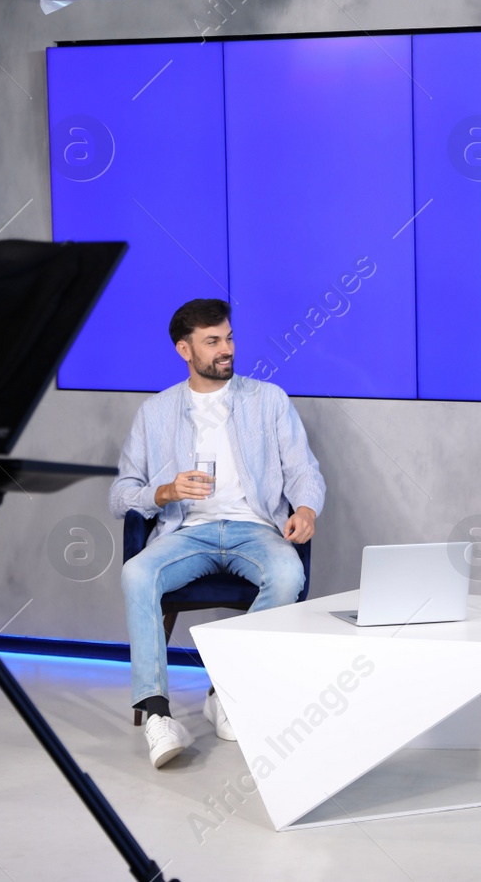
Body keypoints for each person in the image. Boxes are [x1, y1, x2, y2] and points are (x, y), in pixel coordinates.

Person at [110, 298, 324, 768]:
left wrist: (307, 509)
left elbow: (304, 471)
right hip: (187, 531)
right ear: (184, 349)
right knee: (136, 574)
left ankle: (225, 689)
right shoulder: (155, 412)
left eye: (228, 338)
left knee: (288, 575)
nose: (226, 349)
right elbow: (120, 494)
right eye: (212, 342)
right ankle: (157, 713)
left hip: (255, 529)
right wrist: (164, 491)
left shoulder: (268, 400)